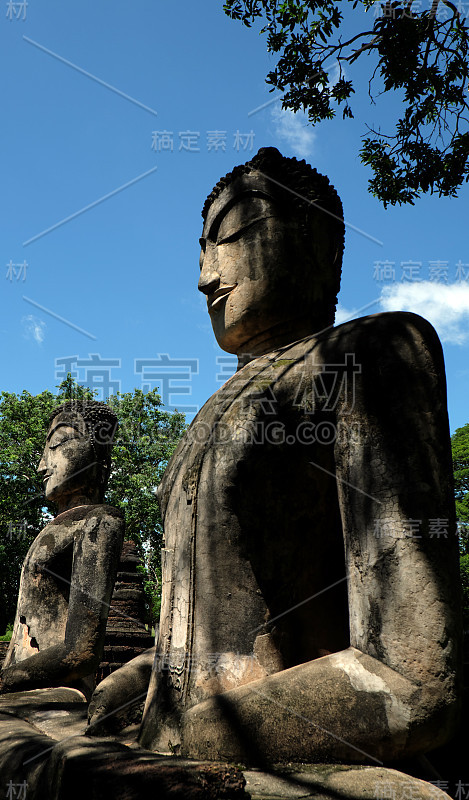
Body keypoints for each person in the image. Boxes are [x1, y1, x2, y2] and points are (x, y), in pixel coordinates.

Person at [90, 148, 462, 767]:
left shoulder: (370, 355)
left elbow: (414, 680)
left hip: (270, 754)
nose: (207, 277)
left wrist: (215, 729)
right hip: (170, 748)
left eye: (231, 238)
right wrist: (156, 673)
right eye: (202, 249)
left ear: (319, 243)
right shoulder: (208, 415)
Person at [0, 400, 123, 700]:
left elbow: (81, 651)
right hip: (22, 686)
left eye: (57, 444)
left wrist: (7, 680)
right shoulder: (54, 529)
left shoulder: (98, 522)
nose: (42, 465)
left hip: (57, 691)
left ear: (98, 460)